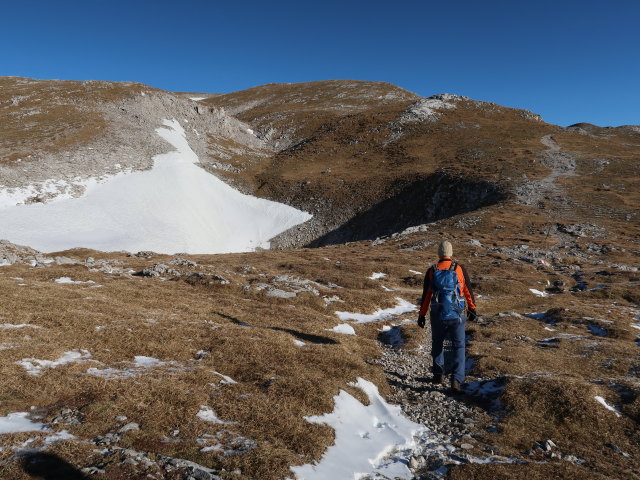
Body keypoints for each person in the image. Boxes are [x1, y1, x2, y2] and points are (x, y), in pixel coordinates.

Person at [417, 240, 477, 393]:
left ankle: (438, 375)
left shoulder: (432, 270)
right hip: (457, 313)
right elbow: (467, 290)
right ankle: (456, 379)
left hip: (438, 313)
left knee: (437, 342)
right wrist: (472, 308)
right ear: (451, 253)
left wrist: (422, 315)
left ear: (439, 253)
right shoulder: (459, 269)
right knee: (459, 345)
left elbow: (426, 295)